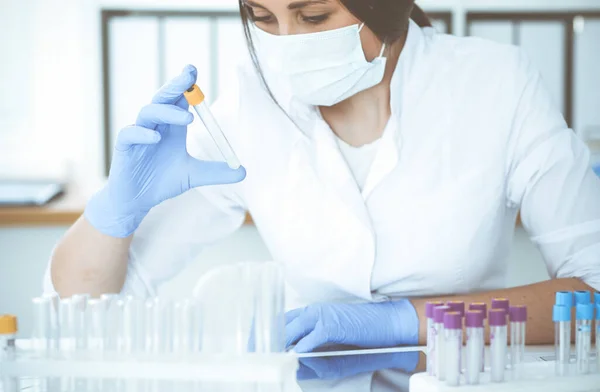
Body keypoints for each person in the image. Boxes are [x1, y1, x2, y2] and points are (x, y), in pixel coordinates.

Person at [46, 0, 600, 353]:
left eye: (312, 17)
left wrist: (404, 322)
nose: (285, 42)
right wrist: (115, 209)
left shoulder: (495, 82)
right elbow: (82, 306)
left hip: (467, 381)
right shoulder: (246, 111)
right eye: (262, 18)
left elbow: (595, 294)